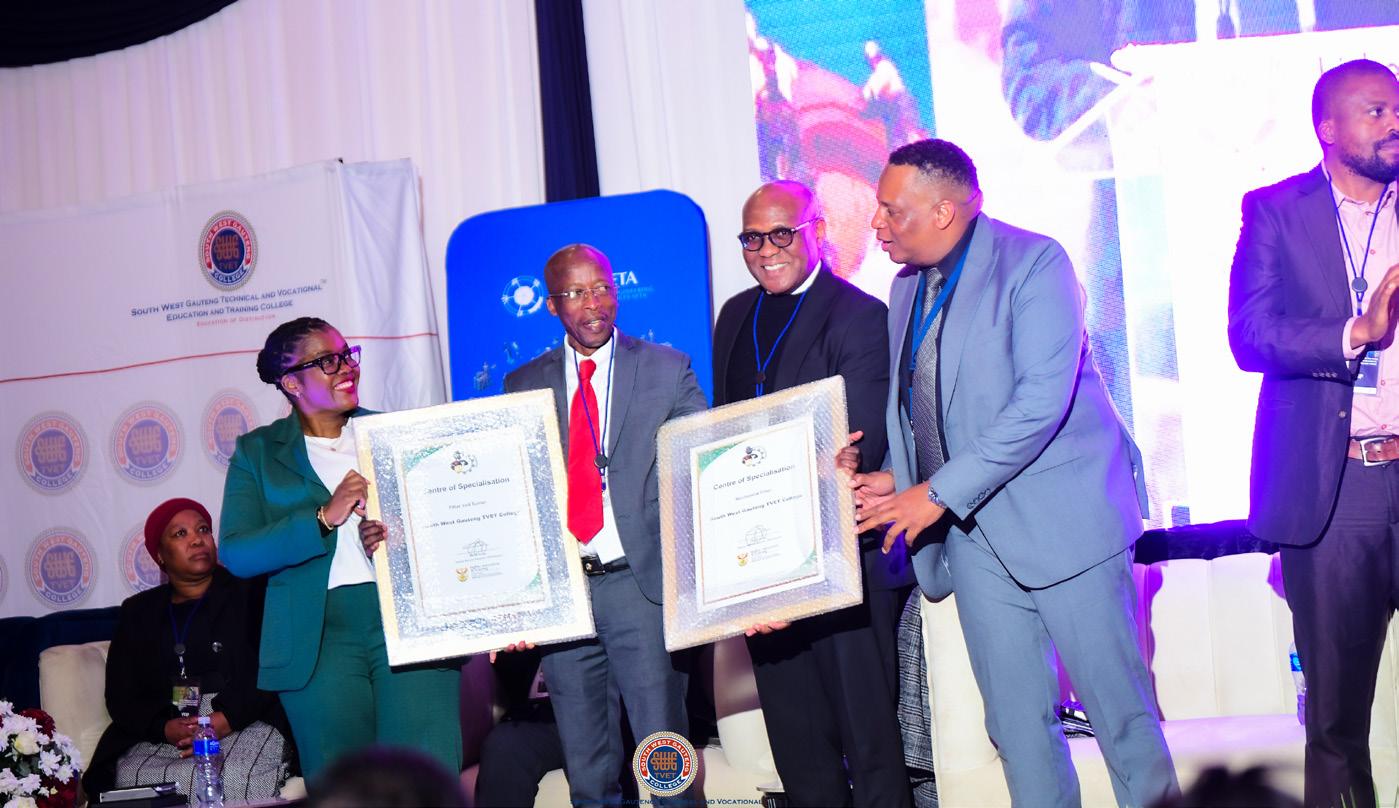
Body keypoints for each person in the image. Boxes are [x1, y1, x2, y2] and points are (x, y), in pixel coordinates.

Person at [852, 138, 1177, 807]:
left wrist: (933, 491)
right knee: (1015, 728)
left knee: (1120, 721)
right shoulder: (904, 287)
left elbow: (1037, 406)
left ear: (943, 212)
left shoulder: (1035, 263)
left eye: (890, 210)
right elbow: (930, 404)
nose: (876, 224)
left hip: (1067, 527)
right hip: (973, 538)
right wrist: (894, 476)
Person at [1228, 59, 1399, 808]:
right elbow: (1249, 335)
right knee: (1334, 721)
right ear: (1328, 129)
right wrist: (1355, 331)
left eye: (1398, 109)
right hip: (1339, 488)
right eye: (1375, 111)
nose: (1393, 123)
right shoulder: (1275, 211)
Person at [711, 180, 911, 807]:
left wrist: (840, 458)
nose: (767, 250)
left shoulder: (859, 314)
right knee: (798, 748)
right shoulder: (733, 316)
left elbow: (864, 439)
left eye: (782, 233)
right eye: (752, 238)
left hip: (844, 560)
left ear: (816, 231)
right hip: (764, 569)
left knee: (870, 744)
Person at [502, 244, 708, 805]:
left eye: (601, 289)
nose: (592, 304)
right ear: (551, 305)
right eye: (575, 293)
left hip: (638, 585)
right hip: (566, 596)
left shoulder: (667, 368)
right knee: (588, 773)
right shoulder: (522, 384)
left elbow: (698, 461)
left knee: (665, 763)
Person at [219, 317, 461, 778]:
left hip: (408, 620)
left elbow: (443, 528)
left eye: (348, 355)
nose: (347, 367)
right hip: (317, 636)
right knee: (345, 785)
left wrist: (392, 543)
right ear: (291, 382)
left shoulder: (395, 432)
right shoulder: (258, 452)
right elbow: (236, 553)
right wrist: (323, 518)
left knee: (426, 776)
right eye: (327, 361)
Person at [83, 498, 293, 801]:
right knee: (128, 782)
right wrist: (163, 728)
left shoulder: (252, 591)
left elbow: (273, 664)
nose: (196, 539)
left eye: (203, 530)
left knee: (230, 777)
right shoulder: (138, 612)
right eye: (180, 534)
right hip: (166, 732)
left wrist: (226, 719)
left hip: (244, 719)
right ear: (160, 555)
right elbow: (121, 696)